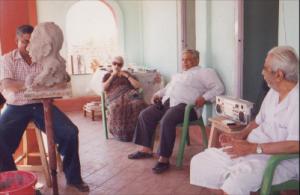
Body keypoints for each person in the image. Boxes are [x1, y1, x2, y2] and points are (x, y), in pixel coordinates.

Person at [190, 46, 299, 195]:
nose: (262, 72)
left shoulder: (296, 101)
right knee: (201, 161)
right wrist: (240, 135)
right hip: (252, 149)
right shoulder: (273, 93)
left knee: (238, 180)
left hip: (278, 160)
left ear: (279, 75)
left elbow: (295, 145)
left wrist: (253, 148)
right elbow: (257, 122)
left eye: (265, 68)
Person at [0, 24, 89, 192]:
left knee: (70, 132)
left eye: (31, 42)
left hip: (41, 105)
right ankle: (14, 182)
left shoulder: (42, 57)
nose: (27, 46)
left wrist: (57, 78)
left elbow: (60, 78)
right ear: (16, 40)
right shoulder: (7, 59)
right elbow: (7, 84)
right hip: (16, 106)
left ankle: (74, 179)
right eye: (23, 42)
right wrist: (33, 83)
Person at [128, 49, 225, 174]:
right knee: (145, 115)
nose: (185, 62)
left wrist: (204, 98)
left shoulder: (204, 72)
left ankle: (164, 158)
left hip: (187, 106)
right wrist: (157, 94)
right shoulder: (178, 75)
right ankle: (145, 150)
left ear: (197, 60)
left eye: (189, 59)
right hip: (168, 103)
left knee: (167, 120)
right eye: (183, 59)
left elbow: (219, 88)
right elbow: (168, 89)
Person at [102, 56, 147, 142]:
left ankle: (137, 133)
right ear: (112, 64)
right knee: (117, 107)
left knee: (139, 104)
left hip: (129, 95)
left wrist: (126, 76)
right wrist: (112, 76)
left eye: (119, 64)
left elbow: (138, 86)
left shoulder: (126, 74)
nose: (116, 66)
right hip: (114, 97)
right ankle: (120, 134)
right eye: (114, 63)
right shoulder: (107, 75)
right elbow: (104, 88)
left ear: (122, 65)